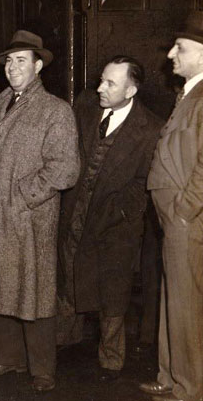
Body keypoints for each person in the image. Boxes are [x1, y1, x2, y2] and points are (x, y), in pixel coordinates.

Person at [0, 30, 80, 392]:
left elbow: (66, 168)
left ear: (38, 66)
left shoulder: (55, 110)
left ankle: (42, 368)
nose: (12, 68)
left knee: (35, 292)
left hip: (29, 218)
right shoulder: (1, 105)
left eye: (21, 61)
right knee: (0, 286)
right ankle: (7, 357)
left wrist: (23, 196)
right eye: (9, 61)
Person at [57, 56, 164, 381]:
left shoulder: (151, 129)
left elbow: (143, 184)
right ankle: (64, 343)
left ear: (131, 90)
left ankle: (112, 362)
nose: (100, 88)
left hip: (116, 227)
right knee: (68, 273)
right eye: (102, 79)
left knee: (112, 292)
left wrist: (117, 212)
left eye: (110, 83)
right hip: (75, 214)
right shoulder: (84, 108)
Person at [141, 11, 203, 401]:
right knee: (173, 299)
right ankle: (170, 376)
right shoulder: (189, 95)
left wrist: (184, 209)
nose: (170, 56)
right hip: (173, 219)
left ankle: (190, 387)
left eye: (180, 48)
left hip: (187, 221)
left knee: (186, 303)